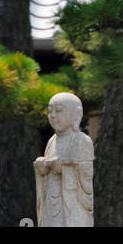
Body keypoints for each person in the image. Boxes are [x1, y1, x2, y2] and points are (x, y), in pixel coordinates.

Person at [34, 92, 94, 227]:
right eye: (50, 111)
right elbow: (48, 171)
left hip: (72, 206)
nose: (53, 115)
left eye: (59, 111)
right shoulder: (51, 141)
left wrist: (64, 168)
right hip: (52, 202)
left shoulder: (82, 140)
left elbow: (87, 173)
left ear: (76, 114)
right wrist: (42, 168)